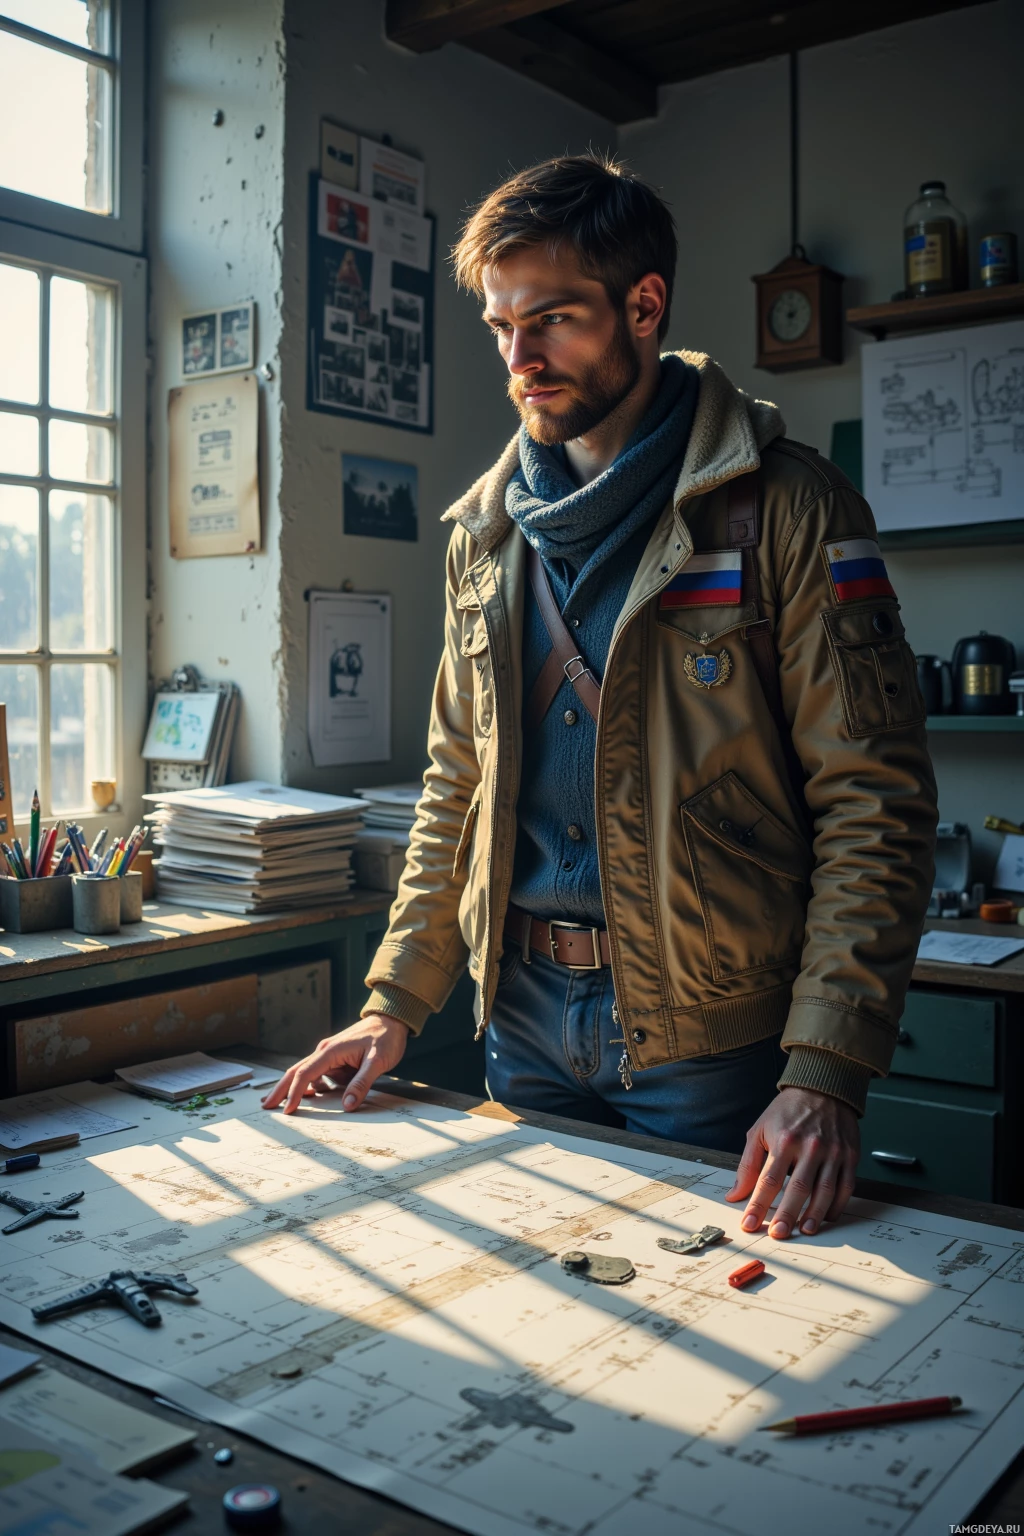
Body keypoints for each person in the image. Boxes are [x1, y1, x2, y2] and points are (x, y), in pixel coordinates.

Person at [264, 154, 937, 1242]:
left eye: (554, 321)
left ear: (644, 305)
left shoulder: (787, 508)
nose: (519, 359)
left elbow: (876, 806)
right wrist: (393, 1001)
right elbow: (456, 787)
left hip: (709, 1045)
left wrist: (824, 1070)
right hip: (518, 1024)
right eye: (498, 327)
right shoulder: (485, 536)